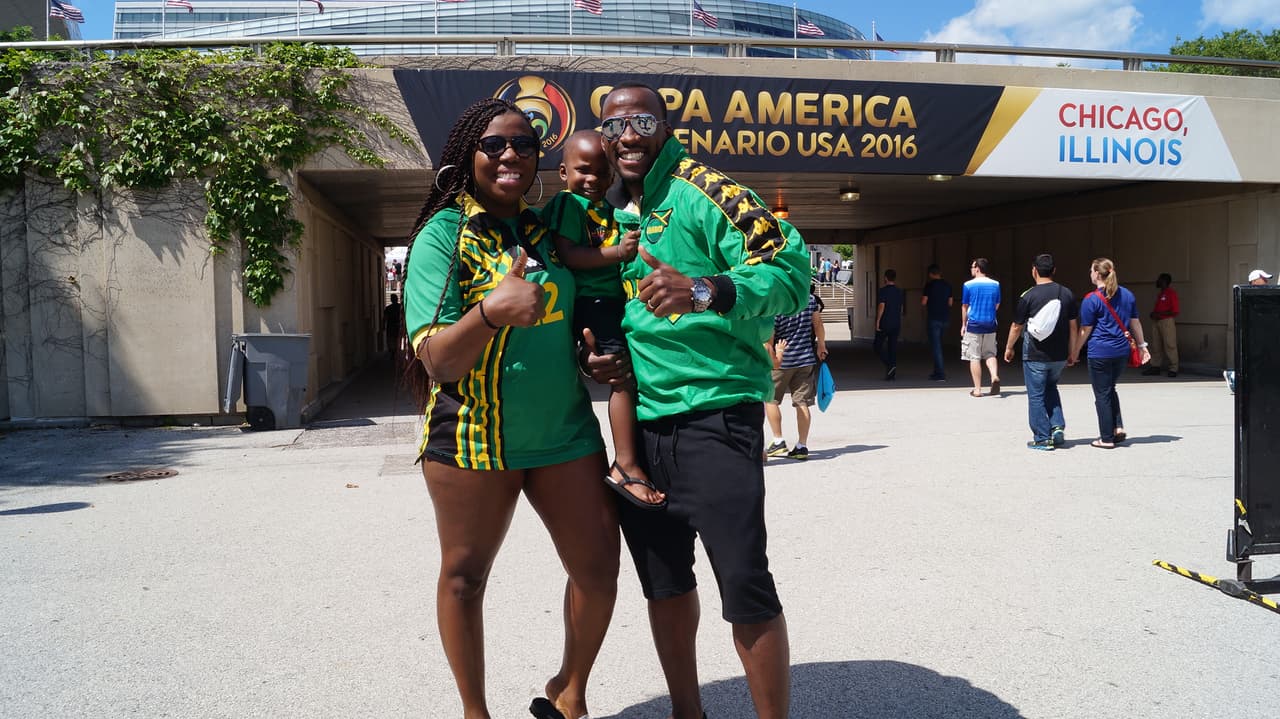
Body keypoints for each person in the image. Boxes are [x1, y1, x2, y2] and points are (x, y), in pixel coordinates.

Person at [400, 97, 619, 719]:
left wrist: (591, 359)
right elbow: (438, 360)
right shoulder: (442, 236)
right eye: (494, 144)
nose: (510, 156)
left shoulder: (548, 230)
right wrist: (490, 310)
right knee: (465, 578)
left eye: (524, 145)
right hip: (472, 441)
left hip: (565, 434)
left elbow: (571, 319)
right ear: (466, 156)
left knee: (599, 569)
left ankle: (569, 692)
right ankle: (476, 712)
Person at [596, 81, 809, 719]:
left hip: (717, 420)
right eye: (611, 126)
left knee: (745, 587)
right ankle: (687, 712)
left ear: (665, 125)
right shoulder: (609, 211)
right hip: (641, 433)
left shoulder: (705, 191)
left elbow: (791, 274)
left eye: (638, 122)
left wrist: (705, 290)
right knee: (664, 587)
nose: (625, 137)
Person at [544, 130, 662, 508]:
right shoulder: (568, 205)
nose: (592, 179)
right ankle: (625, 464)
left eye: (601, 172)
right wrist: (615, 252)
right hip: (591, 302)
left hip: (614, 302)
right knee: (622, 379)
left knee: (635, 373)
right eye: (583, 171)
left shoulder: (608, 211)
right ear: (563, 173)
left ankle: (637, 455)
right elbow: (570, 254)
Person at [1072, 257, 1151, 448]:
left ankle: (1106, 438)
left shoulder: (1091, 300)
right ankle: (1117, 427)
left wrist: (1074, 351)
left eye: (1091, 271)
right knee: (1110, 388)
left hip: (1100, 351)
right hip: (1121, 351)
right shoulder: (1127, 295)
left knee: (1102, 394)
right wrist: (1142, 346)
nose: (1090, 274)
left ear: (1098, 274)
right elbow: (1135, 323)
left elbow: (1085, 329)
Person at [1003, 254, 1078, 450]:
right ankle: (1057, 427)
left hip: (1035, 355)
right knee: (1051, 388)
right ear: (1054, 271)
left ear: (1034, 271)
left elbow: (1016, 326)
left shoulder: (1027, 296)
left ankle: (1042, 438)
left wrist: (1009, 347)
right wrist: (1073, 351)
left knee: (1036, 395)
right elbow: (1073, 327)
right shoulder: (1067, 293)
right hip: (1060, 355)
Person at [765, 285, 828, 461]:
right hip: (805, 358)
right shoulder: (809, 299)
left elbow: (770, 334)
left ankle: (778, 440)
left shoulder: (776, 302)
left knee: (771, 399)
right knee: (802, 402)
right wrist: (821, 345)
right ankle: (802, 446)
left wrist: (773, 356)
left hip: (782, 358)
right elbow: (818, 324)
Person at [1225, 269, 1273, 392]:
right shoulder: (1246, 296)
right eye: (1263, 278)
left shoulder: (1265, 296)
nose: (1267, 281)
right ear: (1255, 281)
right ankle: (1234, 378)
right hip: (1252, 336)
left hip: (1263, 335)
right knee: (1252, 363)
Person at [961, 258, 1002, 397]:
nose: (971, 269)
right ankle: (994, 376)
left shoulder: (968, 285)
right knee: (990, 353)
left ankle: (977, 389)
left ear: (977, 268)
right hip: (990, 323)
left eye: (972, 267)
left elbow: (965, 306)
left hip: (974, 324)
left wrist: (963, 325)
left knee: (974, 357)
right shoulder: (996, 284)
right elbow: (997, 305)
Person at [1143, 273, 1180, 377]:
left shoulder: (1171, 293)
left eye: (1159, 280)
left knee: (1170, 345)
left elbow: (1175, 311)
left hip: (1166, 321)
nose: (1157, 281)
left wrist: (1159, 314)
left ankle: (1173, 368)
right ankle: (1155, 366)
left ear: (1164, 281)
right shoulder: (1161, 294)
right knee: (1156, 345)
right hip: (1157, 321)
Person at [921, 263, 953, 381]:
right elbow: (950, 303)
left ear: (930, 274)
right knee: (939, 345)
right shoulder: (948, 286)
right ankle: (936, 371)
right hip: (945, 318)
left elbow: (924, 302)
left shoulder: (929, 286)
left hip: (933, 318)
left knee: (936, 347)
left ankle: (940, 373)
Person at [874, 268, 904, 380]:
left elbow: (882, 306)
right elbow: (901, 307)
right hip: (896, 322)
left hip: (885, 322)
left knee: (877, 346)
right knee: (892, 348)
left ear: (885, 278)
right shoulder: (899, 291)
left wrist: (878, 320)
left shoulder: (883, 291)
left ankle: (890, 365)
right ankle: (891, 373)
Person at [383, 292, 403, 364]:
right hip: (397, 326)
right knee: (397, 339)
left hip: (391, 326)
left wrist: (383, 325)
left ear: (391, 300)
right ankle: (396, 352)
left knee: (391, 340)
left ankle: (393, 352)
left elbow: (385, 318)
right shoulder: (400, 307)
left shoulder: (388, 308)